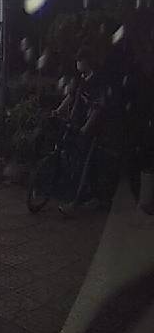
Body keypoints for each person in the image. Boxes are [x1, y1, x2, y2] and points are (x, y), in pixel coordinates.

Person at [53, 45, 111, 214]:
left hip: (91, 129)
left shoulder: (97, 81)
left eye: (80, 60)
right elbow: (71, 97)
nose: (77, 64)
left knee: (85, 164)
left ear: (87, 61)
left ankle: (81, 200)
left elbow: (97, 109)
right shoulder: (80, 79)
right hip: (76, 124)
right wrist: (58, 111)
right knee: (74, 158)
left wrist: (86, 127)